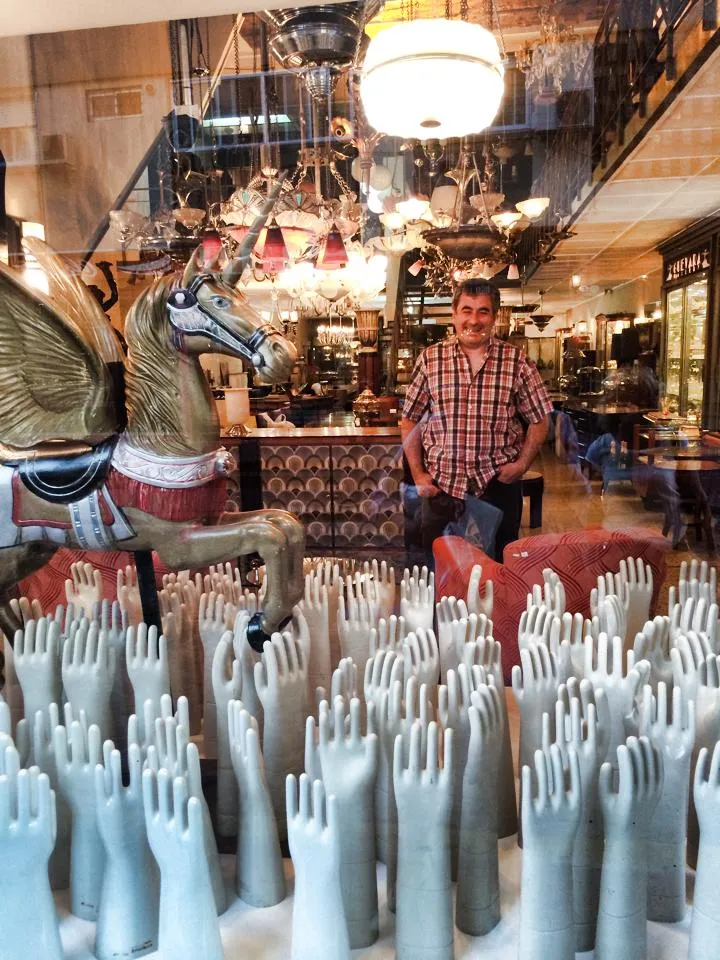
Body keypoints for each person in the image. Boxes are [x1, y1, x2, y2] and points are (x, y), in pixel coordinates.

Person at [401, 278, 552, 564]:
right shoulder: (431, 359)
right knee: (441, 572)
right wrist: (419, 475)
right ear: (454, 314)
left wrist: (521, 465)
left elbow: (540, 419)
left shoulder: (516, 361)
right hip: (442, 488)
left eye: (483, 311)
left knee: (499, 570)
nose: (474, 320)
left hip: (497, 487)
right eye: (466, 310)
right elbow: (410, 419)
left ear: (494, 316)